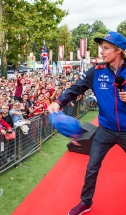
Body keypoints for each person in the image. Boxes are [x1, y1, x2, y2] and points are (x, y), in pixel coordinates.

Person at [48, 31, 126, 215]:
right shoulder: (96, 72)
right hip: (105, 129)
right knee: (92, 167)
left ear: (119, 51)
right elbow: (76, 88)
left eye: (106, 48)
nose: (101, 51)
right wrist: (58, 102)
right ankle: (85, 202)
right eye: (101, 47)